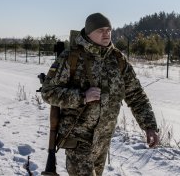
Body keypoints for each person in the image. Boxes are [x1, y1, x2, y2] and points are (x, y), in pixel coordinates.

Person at [41, 13, 159, 176]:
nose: (106, 33)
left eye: (109, 29)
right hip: (78, 140)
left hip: (103, 141)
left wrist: (149, 126)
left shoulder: (118, 60)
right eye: (100, 30)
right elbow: (48, 92)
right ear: (89, 33)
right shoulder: (72, 58)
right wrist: (82, 96)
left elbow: (136, 94)